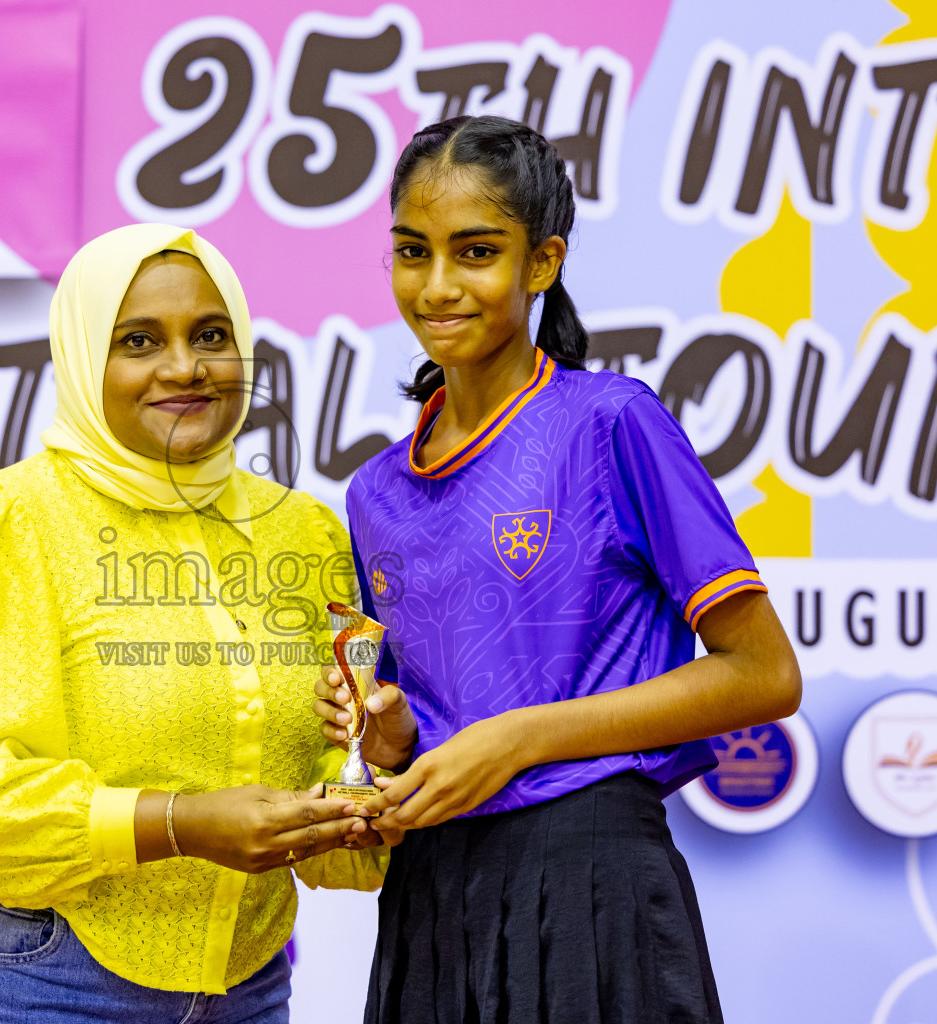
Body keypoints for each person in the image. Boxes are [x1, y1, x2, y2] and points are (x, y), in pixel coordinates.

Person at [312, 116, 802, 1024]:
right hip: (431, 895)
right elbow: (426, 732)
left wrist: (519, 739)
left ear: (542, 264)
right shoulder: (373, 491)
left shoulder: (612, 423)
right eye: (413, 251)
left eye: (477, 252)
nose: (439, 284)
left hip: (591, 881)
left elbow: (765, 674)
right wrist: (383, 738)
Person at [0, 223, 386, 1024]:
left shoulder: (307, 534)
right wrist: (179, 824)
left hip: (246, 990)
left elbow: (343, 771)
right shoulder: (0, 523)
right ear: (84, 358)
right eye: (140, 340)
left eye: (212, 336)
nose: (184, 367)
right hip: (33, 982)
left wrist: (376, 758)